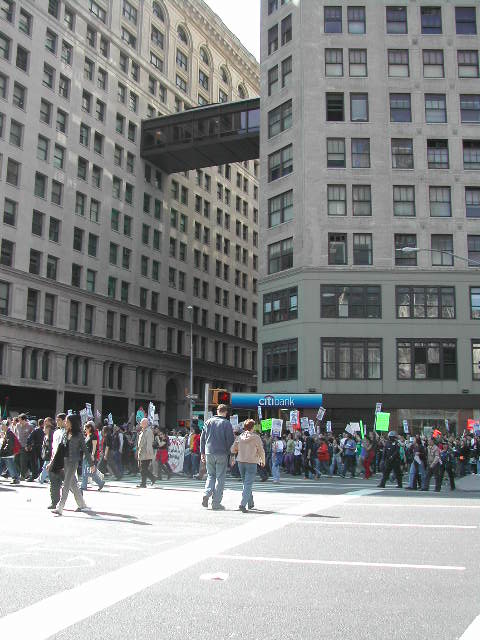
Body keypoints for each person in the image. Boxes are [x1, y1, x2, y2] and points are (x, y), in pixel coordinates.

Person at [52, 414, 93, 516]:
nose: (65, 423)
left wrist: (92, 464)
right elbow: (60, 450)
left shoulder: (79, 435)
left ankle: (60, 507)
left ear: (72, 423)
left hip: (73, 462)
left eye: (67, 421)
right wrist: (53, 462)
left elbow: (85, 450)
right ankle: (82, 505)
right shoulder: (65, 433)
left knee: (66, 484)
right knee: (73, 484)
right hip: (65, 461)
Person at [200, 404, 234, 510]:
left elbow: (202, 438)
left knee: (210, 475)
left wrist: (202, 453)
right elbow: (230, 441)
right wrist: (232, 455)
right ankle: (216, 502)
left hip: (209, 452)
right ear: (226, 412)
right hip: (222, 453)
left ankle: (207, 493)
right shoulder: (226, 424)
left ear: (217, 411)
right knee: (220, 478)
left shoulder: (208, 422)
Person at [231, 419, 265, 512]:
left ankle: (250, 503)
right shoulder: (256, 437)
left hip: (241, 461)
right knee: (248, 484)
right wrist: (262, 460)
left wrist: (238, 451)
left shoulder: (240, 437)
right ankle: (243, 504)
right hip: (252, 461)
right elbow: (261, 450)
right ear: (252, 427)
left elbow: (233, 449)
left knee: (245, 483)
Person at [47, 413, 66, 509]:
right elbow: (54, 449)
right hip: (55, 460)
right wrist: (51, 461)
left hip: (64, 461)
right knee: (54, 482)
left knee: (70, 483)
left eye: (59, 420)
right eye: (57, 420)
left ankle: (80, 498)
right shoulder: (56, 432)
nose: (57, 422)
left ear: (64, 420)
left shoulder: (67, 432)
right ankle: (54, 502)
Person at [81, 421, 105, 491]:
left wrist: (92, 455)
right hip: (86, 455)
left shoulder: (93, 436)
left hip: (90, 455)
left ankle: (99, 482)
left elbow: (94, 446)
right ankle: (85, 485)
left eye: (86, 429)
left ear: (90, 428)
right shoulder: (87, 436)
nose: (85, 430)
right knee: (85, 471)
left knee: (89, 471)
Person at [136, 418, 157, 488]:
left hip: (146, 453)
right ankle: (151, 479)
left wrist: (149, 453)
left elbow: (149, 443)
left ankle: (144, 483)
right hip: (142, 453)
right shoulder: (143, 431)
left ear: (145, 423)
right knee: (143, 469)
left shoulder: (149, 431)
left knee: (143, 469)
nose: (140, 424)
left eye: (141, 423)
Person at [14, 414, 33, 479]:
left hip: (25, 446)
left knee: (23, 461)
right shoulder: (17, 425)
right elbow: (15, 434)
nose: (19, 422)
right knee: (16, 460)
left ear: (24, 420)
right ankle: (26, 471)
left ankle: (22, 475)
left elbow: (32, 437)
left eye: (20, 420)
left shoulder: (30, 426)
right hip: (18, 445)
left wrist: (29, 446)